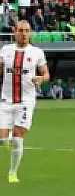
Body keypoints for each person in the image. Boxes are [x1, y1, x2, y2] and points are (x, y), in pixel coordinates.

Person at [0, 21, 49, 183]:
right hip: (6, 100)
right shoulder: (5, 51)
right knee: (2, 139)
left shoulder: (37, 52)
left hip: (26, 101)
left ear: (30, 33)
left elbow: (46, 74)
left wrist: (41, 79)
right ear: (15, 32)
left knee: (18, 135)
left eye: (27, 31)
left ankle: (13, 173)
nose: (24, 33)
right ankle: (5, 141)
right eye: (21, 30)